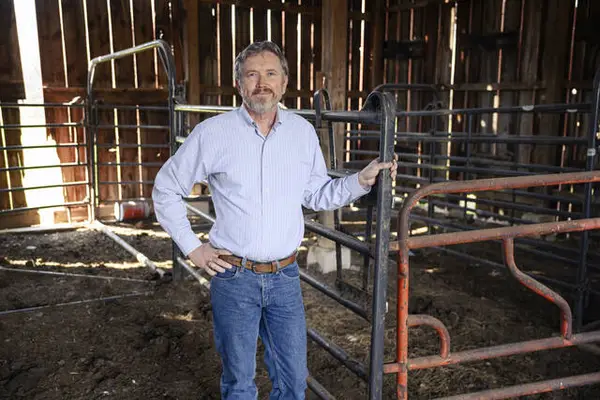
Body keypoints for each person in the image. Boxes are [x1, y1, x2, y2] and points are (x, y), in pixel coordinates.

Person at [152, 41, 397, 400]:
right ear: (239, 84)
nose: (261, 83)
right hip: (234, 275)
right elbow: (165, 189)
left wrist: (360, 181)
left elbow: (316, 195)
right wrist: (193, 248)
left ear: (284, 83)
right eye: (252, 75)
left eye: (270, 74)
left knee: (293, 380)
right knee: (239, 382)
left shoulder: (301, 133)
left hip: (285, 276)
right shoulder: (213, 133)